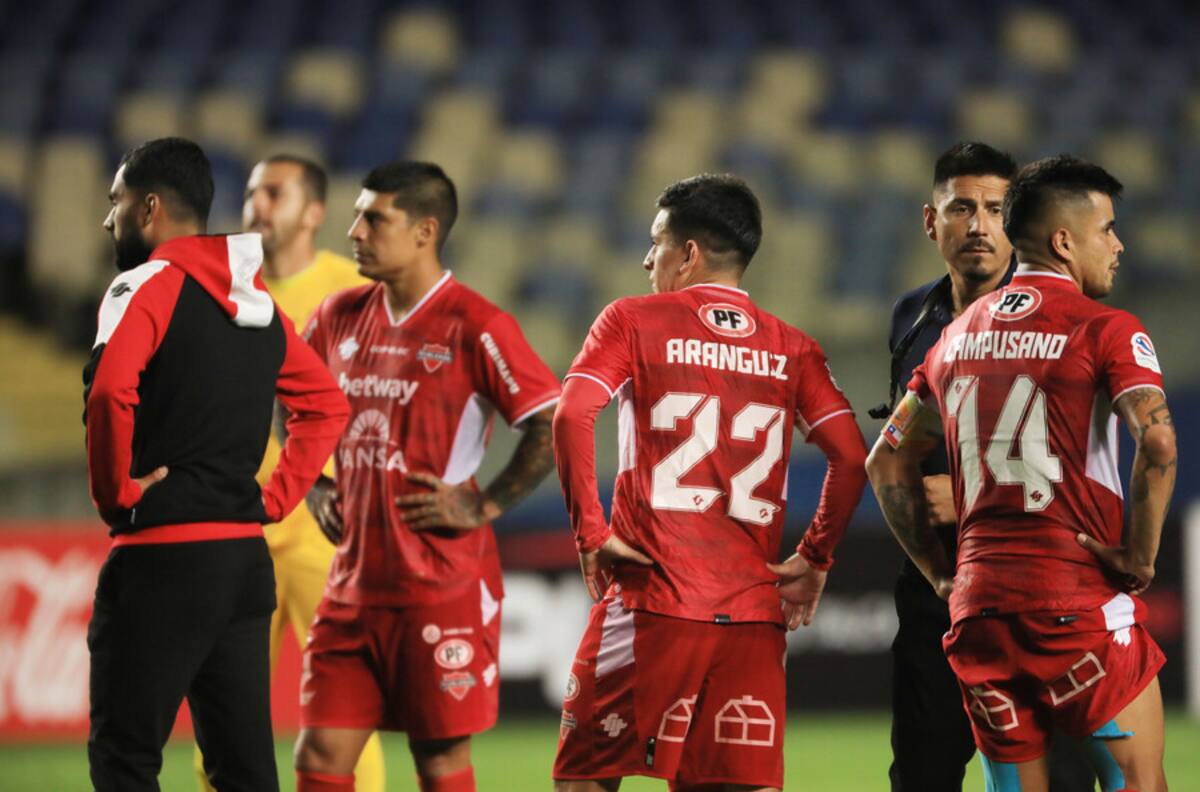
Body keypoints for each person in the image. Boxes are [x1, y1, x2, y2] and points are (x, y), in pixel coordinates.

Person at [866, 155, 1175, 792]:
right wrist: (1140, 557)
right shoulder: (1106, 329)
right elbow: (1160, 442)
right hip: (1077, 607)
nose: (1118, 245)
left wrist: (939, 574)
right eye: (1107, 229)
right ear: (1064, 241)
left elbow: (885, 458)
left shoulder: (951, 340)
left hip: (978, 616)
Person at [551, 174, 869, 791]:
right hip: (751, 616)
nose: (648, 259)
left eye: (656, 243)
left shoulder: (631, 321)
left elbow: (571, 414)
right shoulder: (793, 349)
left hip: (652, 600)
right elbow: (853, 457)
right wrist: (814, 555)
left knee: (586, 778)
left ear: (688, 254)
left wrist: (591, 531)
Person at [84, 137, 349, 791]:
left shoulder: (140, 286)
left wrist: (117, 493)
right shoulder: (254, 299)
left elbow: (110, 392)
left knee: (125, 759)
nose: (106, 219)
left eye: (114, 202)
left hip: (161, 556)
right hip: (243, 562)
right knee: (244, 771)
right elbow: (326, 405)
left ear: (149, 208)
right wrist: (275, 498)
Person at [292, 161, 561, 792]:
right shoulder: (336, 317)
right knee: (320, 754)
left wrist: (484, 505)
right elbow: (290, 398)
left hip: (439, 587)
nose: (354, 229)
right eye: (357, 214)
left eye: (373, 217)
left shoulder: (476, 325)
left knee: (438, 761)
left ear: (424, 231)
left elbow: (550, 423)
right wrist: (314, 481)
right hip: (352, 585)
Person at [189, 155, 384, 791]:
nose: (256, 205)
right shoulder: (220, 287)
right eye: (250, 193)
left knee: (345, 710)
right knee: (218, 709)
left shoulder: (350, 289)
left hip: (321, 526)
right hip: (232, 524)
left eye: (274, 192)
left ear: (314, 212)